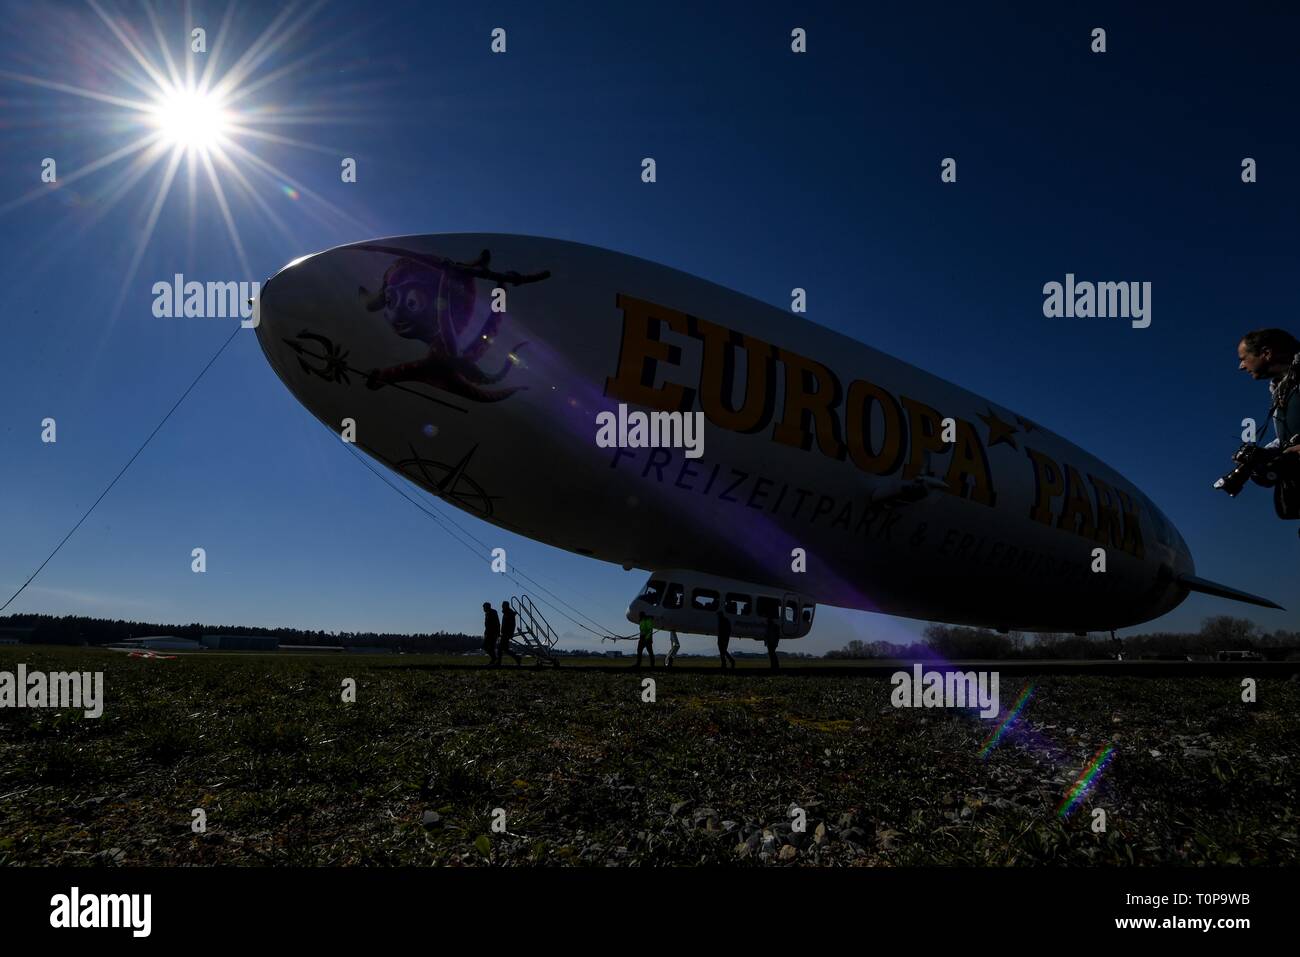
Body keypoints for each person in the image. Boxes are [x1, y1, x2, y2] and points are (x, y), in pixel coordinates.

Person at [1237, 328, 1300, 519]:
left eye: (1243, 358)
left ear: (1266, 353)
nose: (1241, 366)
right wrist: (1264, 455)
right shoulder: (1282, 387)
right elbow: (1288, 440)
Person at [499, 601, 522, 665]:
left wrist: (510, 633)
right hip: (505, 633)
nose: (502, 606)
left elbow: (512, 624)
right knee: (504, 649)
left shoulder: (509, 613)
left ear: (506, 606)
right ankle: (517, 658)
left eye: (503, 605)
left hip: (506, 633)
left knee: (500, 648)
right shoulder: (507, 613)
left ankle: (498, 663)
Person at [482, 601, 501, 666]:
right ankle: (494, 659)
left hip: (493, 633)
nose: (483, 609)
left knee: (489, 646)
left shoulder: (493, 612)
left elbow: (497, 623)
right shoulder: (487, 613)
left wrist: (498, 632)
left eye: (484, 607)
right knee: (486, 646)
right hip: (489, 633)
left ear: (487, 607)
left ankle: (494, 659)